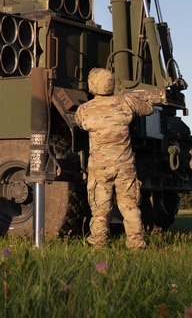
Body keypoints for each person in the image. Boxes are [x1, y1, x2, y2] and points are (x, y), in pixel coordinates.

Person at [73, 67, 160, 250]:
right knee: (130, 207)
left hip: (100, 168)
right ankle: (136, 243)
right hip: (125, 167)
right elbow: (148, 108)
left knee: (99, 209)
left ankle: (99, 242)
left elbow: (79, 122)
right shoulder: (125, 103)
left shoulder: (85, 110)